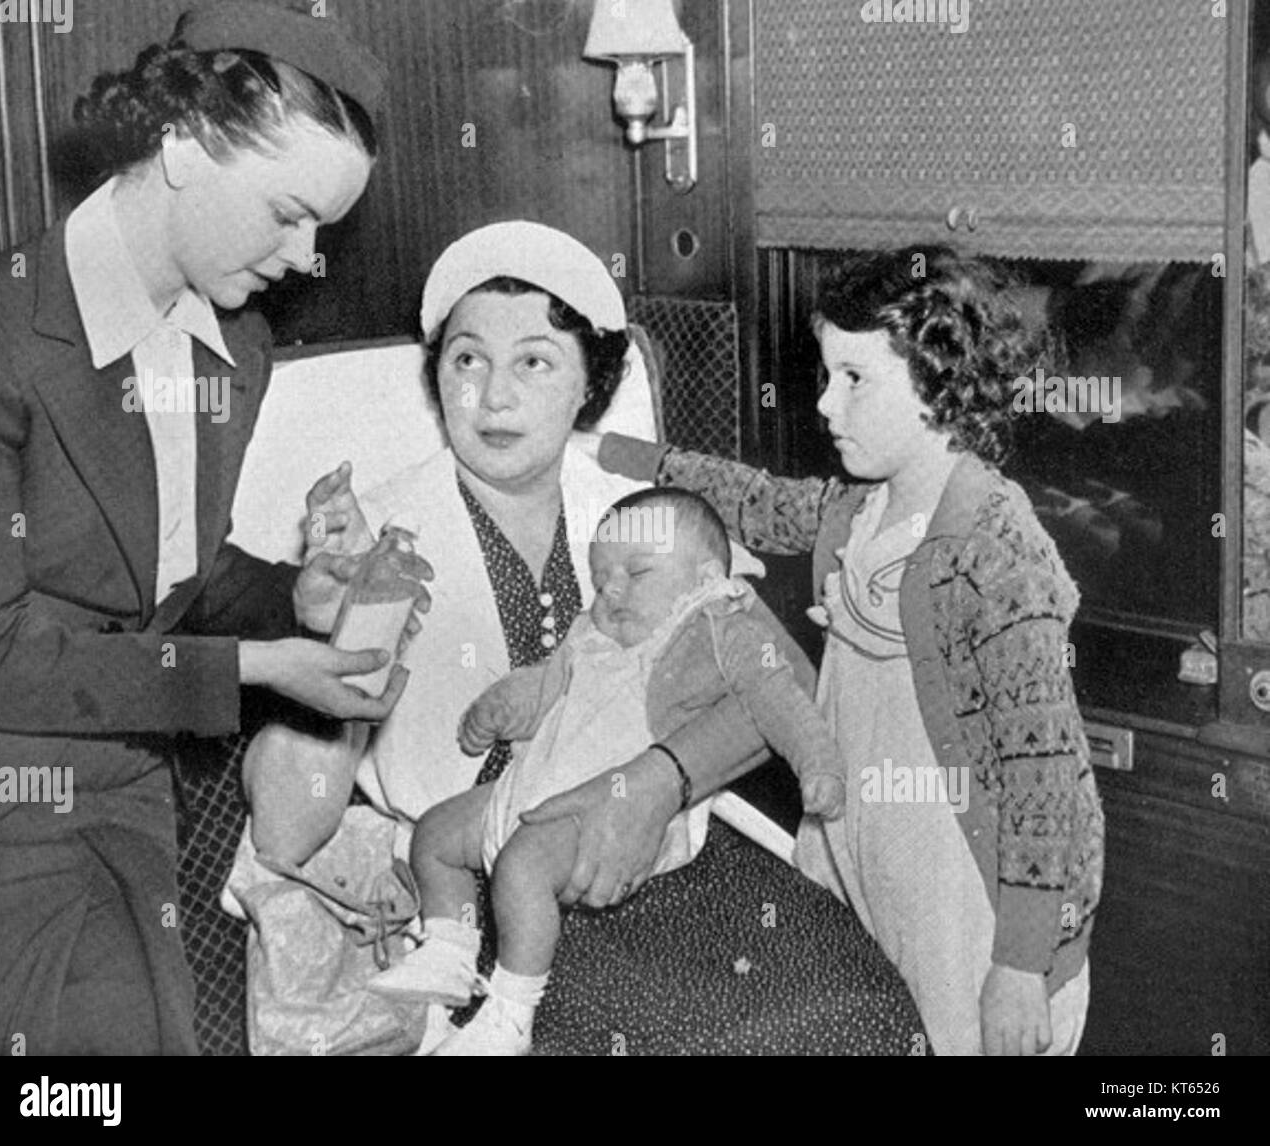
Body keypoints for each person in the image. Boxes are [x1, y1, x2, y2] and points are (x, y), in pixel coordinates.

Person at [229, 220, 923, 1056]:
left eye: (534, 361)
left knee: (856, 1002)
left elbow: (771, 679)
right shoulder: (372, 538)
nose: (492, 397)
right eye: (466, 359)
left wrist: (658, 781)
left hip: (667, 849)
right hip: (484, 884)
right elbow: (286, 830)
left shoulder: (637, 514)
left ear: (589, 382)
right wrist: (330, 636)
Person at [0, 2, 431, 1055]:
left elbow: (157, 570)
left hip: (127, 779)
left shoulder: (235, 342)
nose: (305, 254)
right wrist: (260, 668)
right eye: (286, 211)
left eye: (324, 226)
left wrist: (292, 597)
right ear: (181, 144)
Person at [597, 246, 1107, 1056]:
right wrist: (614, 455)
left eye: (855, 379)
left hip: (964, 903)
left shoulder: (998, 551)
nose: (826, 403)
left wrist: (1018, 965)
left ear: (939, 375)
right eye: (827, 374)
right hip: (858, 857)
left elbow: (1046, 782)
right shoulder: (856, 513)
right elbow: (754, 501)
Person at [367, 488, 843, 1054]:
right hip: (531, 793)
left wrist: (818, 764)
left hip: (605, 819)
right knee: (438, 834)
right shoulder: (590, 632)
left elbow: (781, 698)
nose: (611, 590)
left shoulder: (717, 625)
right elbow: (549, 688)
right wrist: (502, 706)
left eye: (637, 572)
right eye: (601, 577)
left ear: (706, 576)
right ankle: (449, 950)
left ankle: (510, 1014)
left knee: (521, 869)